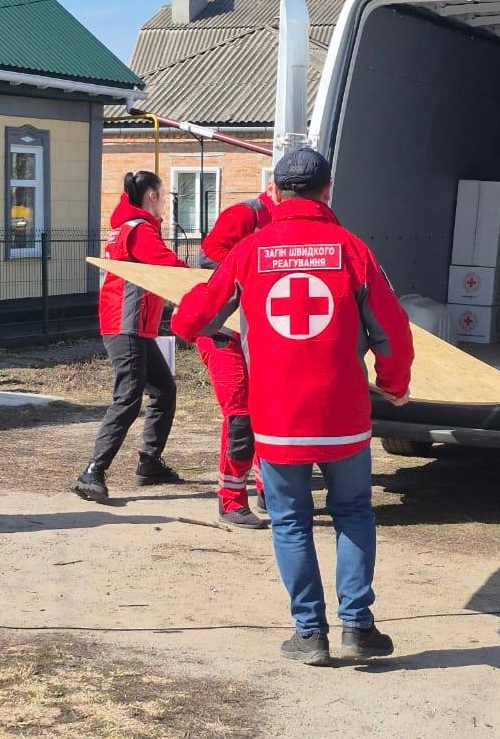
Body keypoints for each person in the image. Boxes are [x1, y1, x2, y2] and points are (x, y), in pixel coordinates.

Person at [172, 147, 414, 665]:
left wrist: (191, 306)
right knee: (353, 512)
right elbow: (393, 330)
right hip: (343, 415)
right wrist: (394, 383)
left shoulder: (249, 251)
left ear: (277, 193)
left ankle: (310, 634)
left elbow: (193, 320)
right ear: (327, 190)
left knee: (290, 522)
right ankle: (358, 627)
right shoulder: (352, 250)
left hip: (277, 416)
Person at [73, 171, 186, 502]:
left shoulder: (130, 226)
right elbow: (168, 265)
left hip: (135, 326)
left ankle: (149, 463)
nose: (165, 202)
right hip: (127, 325)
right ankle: (93, 471)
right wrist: (204, 281)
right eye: (163, 195)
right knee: (128, 397)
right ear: (151, 195)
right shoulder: (139, 230)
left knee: (164, 390)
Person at [195, 187, 278, 529]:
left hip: (255, 333)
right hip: (223, 333)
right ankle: (231, 500)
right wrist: (254, 269)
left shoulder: (288, 219)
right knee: (241, 417)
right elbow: (208, 255)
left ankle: (270, 492)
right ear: (276, 187)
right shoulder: (246, 213)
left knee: (268, 412)